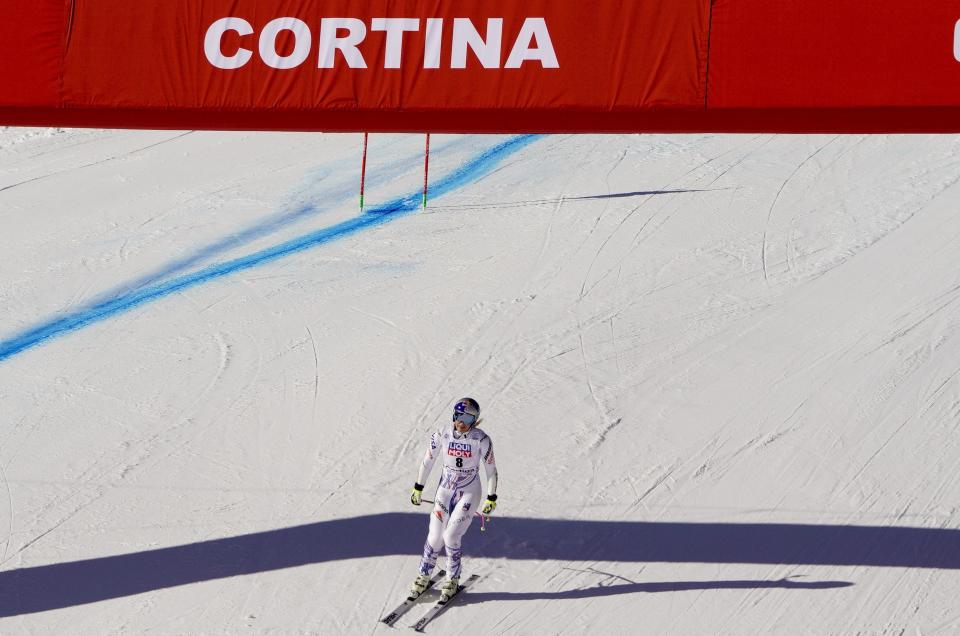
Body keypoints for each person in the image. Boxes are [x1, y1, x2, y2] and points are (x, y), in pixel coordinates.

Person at [409, 397, 498, 602]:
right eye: (459, 415)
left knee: (451, 537)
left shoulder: (481, 439)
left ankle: (452, 578)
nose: (462, 421)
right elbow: (428, 461)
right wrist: (418, 487)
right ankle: (424, 574)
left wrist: (491, 497)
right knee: (435, 536)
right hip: (445, 491)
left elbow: (491, 471)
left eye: (468, 417)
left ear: (475, 420)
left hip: (469, 492)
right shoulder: (443, 434)